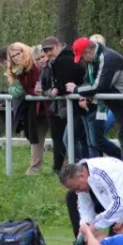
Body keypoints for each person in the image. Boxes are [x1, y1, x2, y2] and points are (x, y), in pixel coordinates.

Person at [67, 38, 123, 171]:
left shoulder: (107, 58)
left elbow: (99, 86)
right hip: (122, 107)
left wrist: (76, 90)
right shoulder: (94, 60)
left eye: (82, 57)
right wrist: (83, 95)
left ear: (88, 52)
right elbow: (87, 81)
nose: (83, 61)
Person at [59, 157, 123, 245]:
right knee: (71, 196)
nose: (77, 192)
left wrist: (94, 226)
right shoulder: (85, 177)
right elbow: (86, 210)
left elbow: (120, 202)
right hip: (118, 212)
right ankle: (85, 244)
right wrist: (84, 231)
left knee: (110, 244)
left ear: (82, 176)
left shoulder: (104, 171)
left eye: (77, 187)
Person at [41, 37, 87, 173]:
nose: (49, 53)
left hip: (78, 103)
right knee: (81, 139)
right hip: (75, 102)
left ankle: (79, 168)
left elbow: (65, 83)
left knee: (71, 138)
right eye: (46, 50)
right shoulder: (65, 58)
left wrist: (57, 89)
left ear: (58, 46)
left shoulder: (63, 60)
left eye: (51, 49)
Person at [6, 43, 49, 175]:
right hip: (35, 107)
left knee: (60, 137)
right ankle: (34, 168)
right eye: (12, 56)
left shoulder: (34, 67)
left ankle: (63, 166)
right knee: (35, 136)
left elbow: (37, 88)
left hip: (47, 106)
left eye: (18, 54)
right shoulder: (19, 70)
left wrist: (32, 92)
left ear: (24, 51)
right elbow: (29, 90)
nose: (15, 58)